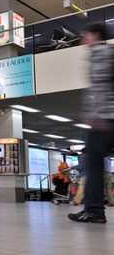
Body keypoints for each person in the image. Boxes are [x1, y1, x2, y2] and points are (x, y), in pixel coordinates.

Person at [68, 23, 114, 223]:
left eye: (85, 36)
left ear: (94, 36)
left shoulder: (98, 54)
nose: (83, 40)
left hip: (104, 119)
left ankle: (95, 212)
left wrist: (95, 115)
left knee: (93, 166)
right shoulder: (111, 52)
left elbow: (99, 86)